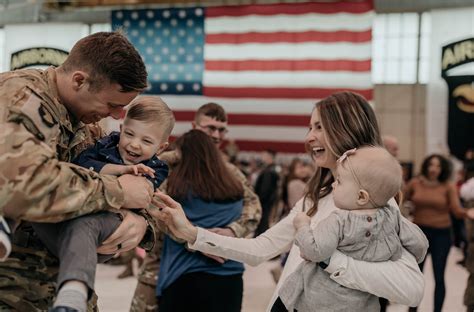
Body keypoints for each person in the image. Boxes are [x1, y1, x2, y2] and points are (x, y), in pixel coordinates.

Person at [151, 91, 428, 311]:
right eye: (310, 127)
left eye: (319, 127)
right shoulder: (316, 197)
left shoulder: (375, 205)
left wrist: (329, 261)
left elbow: (411, 288)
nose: (309, 138)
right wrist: (191, 232)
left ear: (346, 129)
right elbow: (261, 248)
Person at [0, 31, 158, 311]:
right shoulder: (21, 96)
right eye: (112, 105)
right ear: (79, 80)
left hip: (62, 290)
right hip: (13, 292)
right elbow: (22, 184)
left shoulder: (84, 122)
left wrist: (142, 223)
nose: (118, 116)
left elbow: (136, 181)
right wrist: (118, 192)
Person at [29, 96, 174, 311]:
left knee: (85, 225)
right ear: (122, 128)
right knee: (31, 204)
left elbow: (139, 196)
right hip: (64, 231)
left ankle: (73, 296)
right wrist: (120, 170)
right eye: (130, 134)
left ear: (161, 147)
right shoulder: (107, 145)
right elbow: (83, 164)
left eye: (146, 141)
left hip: (106, 229)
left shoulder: (155, 168)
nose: (134, 144)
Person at [130, 102, 262, 312]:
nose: (216, 135)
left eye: (221, 129)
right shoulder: (167, 163)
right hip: (162, 265)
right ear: (194, 125)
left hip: (216, 272)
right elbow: (153, 206)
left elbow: (253, 206)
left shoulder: (229, 171)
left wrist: (231, 231)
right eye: (210, 128)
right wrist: (199, 239)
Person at [276, 146, 428, 312]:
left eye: (339, 181)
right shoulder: (393, 218)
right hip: (363, 305)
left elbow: (314, 251)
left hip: (318, 302)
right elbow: (420, 246)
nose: (334, 184)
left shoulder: (338, 220)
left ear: (361, 196)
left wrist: (302, 226)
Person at [157, 130, 245, 312]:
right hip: (230, 277)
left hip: (183, 275)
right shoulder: (235, 187)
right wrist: (231, 232)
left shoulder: (175, 189)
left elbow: (155, 207)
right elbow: (252, 212)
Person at [405, 154, 473, 312]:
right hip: (419, 235)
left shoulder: (447, 186)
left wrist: (468, 213)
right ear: (426, 166)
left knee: (439, 276)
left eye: (437, 166)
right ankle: (412, 310)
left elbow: (456, 210)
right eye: (431, 165)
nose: (433, 169)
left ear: (442, 169)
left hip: (441, 235)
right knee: (416, 276)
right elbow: (401, 199)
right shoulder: (415, 183)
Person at [254, 149, 280, 235]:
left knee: (262, 224)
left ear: (269, 157)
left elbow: (264, 190)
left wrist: (258, 200)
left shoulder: (269, 171)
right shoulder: (272, 169)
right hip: (267, 201)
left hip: (264, 202)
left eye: (264, 155)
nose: (262, 157)